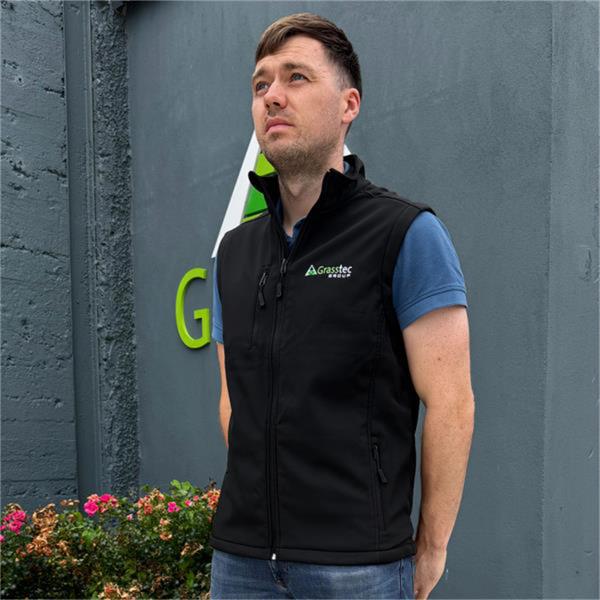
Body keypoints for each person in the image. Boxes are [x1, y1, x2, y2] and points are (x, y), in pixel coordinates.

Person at [208, 12, 475, 600]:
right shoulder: (235, 253)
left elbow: (451, 402)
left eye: (296, 77)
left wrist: (431, 546)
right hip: (241, 562)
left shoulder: (405, 233)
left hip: (358, 565)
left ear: (348, 104)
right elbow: (233, 400)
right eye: (261, 84)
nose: (272, 96)